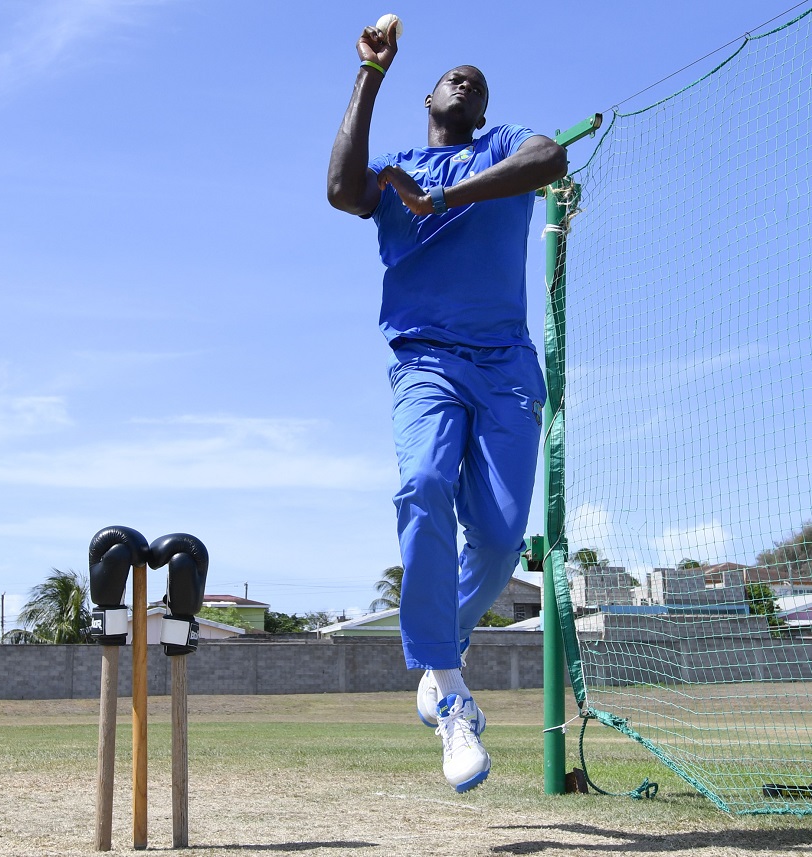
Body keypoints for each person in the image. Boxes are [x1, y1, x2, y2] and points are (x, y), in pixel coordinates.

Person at [327, 21, 567, 792]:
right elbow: (340, 189)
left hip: (505, 366)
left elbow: (551, 157)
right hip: (424, 358)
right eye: (455, 79)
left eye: (481, 84)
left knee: (499, 540)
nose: (468, 84)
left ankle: (438, 660)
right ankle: (450, 689)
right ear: (429, 97)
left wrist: (445, 198)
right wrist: (369, 74)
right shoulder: (396, 169)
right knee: (423, 486)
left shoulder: (505, 149)